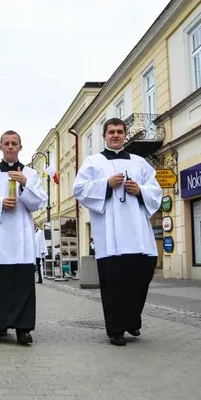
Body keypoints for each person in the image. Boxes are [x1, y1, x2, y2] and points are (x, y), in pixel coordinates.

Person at [73, 117, 162, 347]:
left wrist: (140, 189)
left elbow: (156, 190)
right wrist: (106, 184)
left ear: (125, 135)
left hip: (139, 234)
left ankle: (132, 319)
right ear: (104, 136)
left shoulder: (140, 162)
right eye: (111, 131)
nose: (115, 135)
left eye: (119, 132)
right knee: (115, 285)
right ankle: (116, 330)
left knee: (142, 277)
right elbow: (79, 189)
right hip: (111, 236)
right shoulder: (93, 162)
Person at [0, 130, 47, 345]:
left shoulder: (30, 174)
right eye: (7, 143)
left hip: (21, 238)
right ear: (1, 147)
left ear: (20, 147)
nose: (10, 147)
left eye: (14, 143)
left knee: (21, 284)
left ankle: (23, 329)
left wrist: (24, 183)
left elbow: (39, 202)